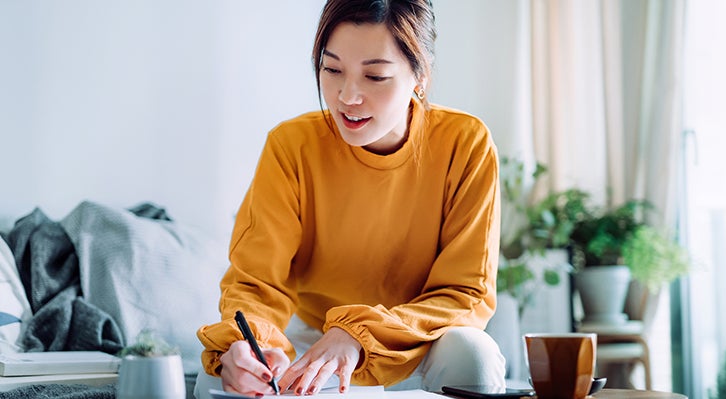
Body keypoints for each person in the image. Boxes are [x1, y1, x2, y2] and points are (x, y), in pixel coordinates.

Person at [195, 0, 506, 397]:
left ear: (420, 75)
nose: (347, 96)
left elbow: (465, 293)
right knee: (219, 375)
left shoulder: (465, 143)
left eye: (375, 76)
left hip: (417, 341)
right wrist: (253, 345)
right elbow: (256, 282)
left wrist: (360, 334)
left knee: (473, 354)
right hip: (312, 342)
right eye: (332, 69)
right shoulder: (291, 146)